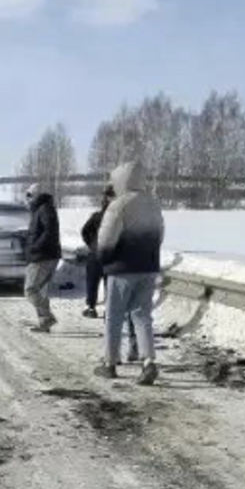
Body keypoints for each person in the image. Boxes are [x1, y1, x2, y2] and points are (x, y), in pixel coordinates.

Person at [94, 162, 165, 384]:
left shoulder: (118, 205)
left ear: (121, 180)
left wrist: (103, 259)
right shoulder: (154, 204)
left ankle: (109, 363)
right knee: (142, 315)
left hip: (122, 268)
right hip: (148, 267)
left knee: (114, 315)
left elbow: (106, 240)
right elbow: (160, 235)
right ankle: (148, 362)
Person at [23, 183, 62, 332]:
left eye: (29, 195)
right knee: (39, 290)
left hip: (43, 256)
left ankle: (47, 317)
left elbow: (49, 232)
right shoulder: (41, 209)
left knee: (30, 290)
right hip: (44, 255)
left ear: (36, 195)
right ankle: (44, 322)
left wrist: (35, 247)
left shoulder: (44, 209)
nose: (27, 199)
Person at [80, 184, 115, 318]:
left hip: (95, 254)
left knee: (92, 281)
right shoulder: (119, 217)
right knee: (110, 284)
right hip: (111, 255)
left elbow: (84, 231)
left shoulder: (97, 216)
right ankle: (109, 310)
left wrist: (91, 244)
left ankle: (91, 308)